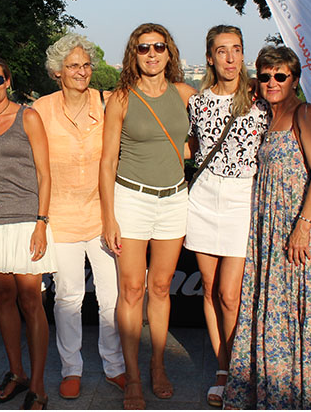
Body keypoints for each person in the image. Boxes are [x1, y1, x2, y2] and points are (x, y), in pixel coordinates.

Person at [222, 45, 311, 409]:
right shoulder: (268, 116)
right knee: (277, 310)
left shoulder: (305, 113)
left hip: (299, 230)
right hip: (270, 230)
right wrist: (253, 85)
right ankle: (277, 392)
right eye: (265, 76)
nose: (272, 82)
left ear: (295, 80)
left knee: (304, 309)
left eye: (280, 76)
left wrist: (302, 227)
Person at [99, 23, 196, 410]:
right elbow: (107, 161)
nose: (151, 54)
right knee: (132, 290)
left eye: (158, 47)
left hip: (174, 199)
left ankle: (158, 365)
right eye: (143, 48)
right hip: (132, 200)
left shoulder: (185, 94)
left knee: (160, 288)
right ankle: (133, 376)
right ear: (133, 54)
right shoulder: (121, 98)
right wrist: (109, 217)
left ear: (169, 52)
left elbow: (203, 139)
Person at [33, 34, 126, 400]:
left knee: (112, 296)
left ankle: (115, 366)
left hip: (104, 215)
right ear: (57, 71)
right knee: (68, 298)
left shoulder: (107, 102)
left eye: (86, 65)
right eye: (73, 66)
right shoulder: (41, 109)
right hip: (60, 217)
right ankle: (71, 369)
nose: (82, 71)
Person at [184, 25, 268, 408]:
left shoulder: (260, 100)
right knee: (209, 286)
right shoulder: (198, 102)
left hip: (241, 197)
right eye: (222, 51)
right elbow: (189, 147)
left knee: (229, 294)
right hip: (203, 196)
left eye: (236, 49)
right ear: (210, 57)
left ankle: (237, 370)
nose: (231, 58)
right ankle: (223, 369)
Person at [0, 56, 56, 410]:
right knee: (3, 298)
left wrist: (41, 222)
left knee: (31, 300)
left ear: (8, 81)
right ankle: (16, 374)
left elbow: (45, 174)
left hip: (26, 220)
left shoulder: (27, 117)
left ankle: (38, 385)